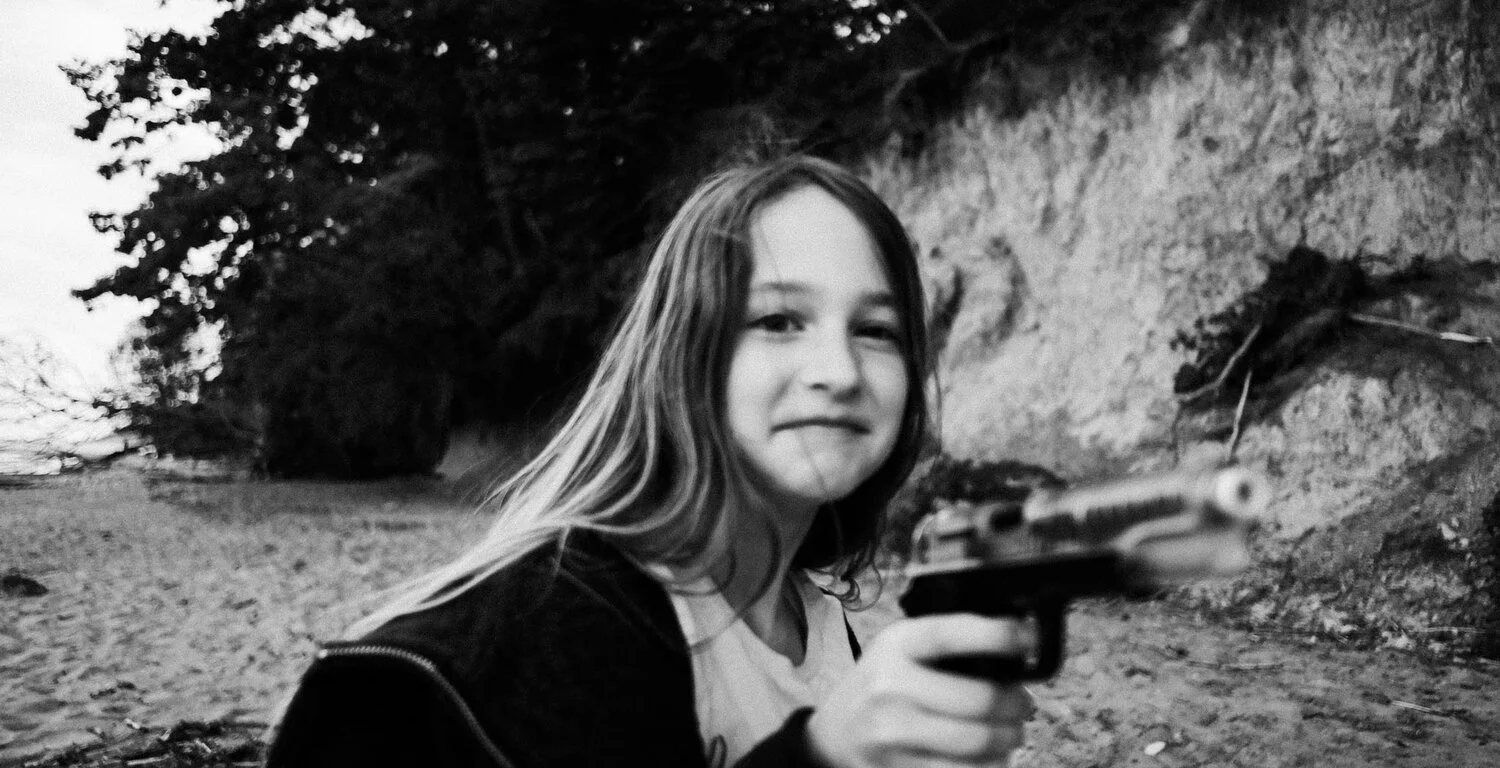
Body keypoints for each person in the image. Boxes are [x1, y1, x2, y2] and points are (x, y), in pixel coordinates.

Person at [265, 155, 1034, 768]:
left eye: (877, 331)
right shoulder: (559, 622)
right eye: (778, 320)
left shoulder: (827, 629)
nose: (840, 371)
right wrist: (821, 757)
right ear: (688, 355)